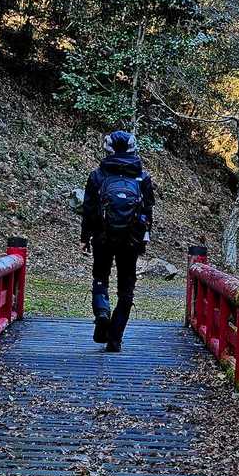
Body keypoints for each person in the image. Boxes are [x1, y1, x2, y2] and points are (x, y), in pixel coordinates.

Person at [80, 129, 155, 352]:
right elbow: (148, 211)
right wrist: (144, 237)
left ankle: (102, 312)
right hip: (131, 240)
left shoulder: (97, 176)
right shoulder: (142, 177)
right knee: (126, 287)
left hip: (102, 236)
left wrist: (85, 237)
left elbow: (88, 210)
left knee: (100, 277)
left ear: (108, 149)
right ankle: (115, 339)